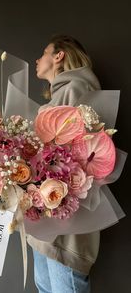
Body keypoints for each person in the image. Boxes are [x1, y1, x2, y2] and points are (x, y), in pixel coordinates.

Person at [27, 34, 101, 293]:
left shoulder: (77, 89)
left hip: (67, 225)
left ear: (59, 56)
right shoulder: (59, 97)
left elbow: (79, 154)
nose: (37, 59)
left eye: (44, 52)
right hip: (48, 223)